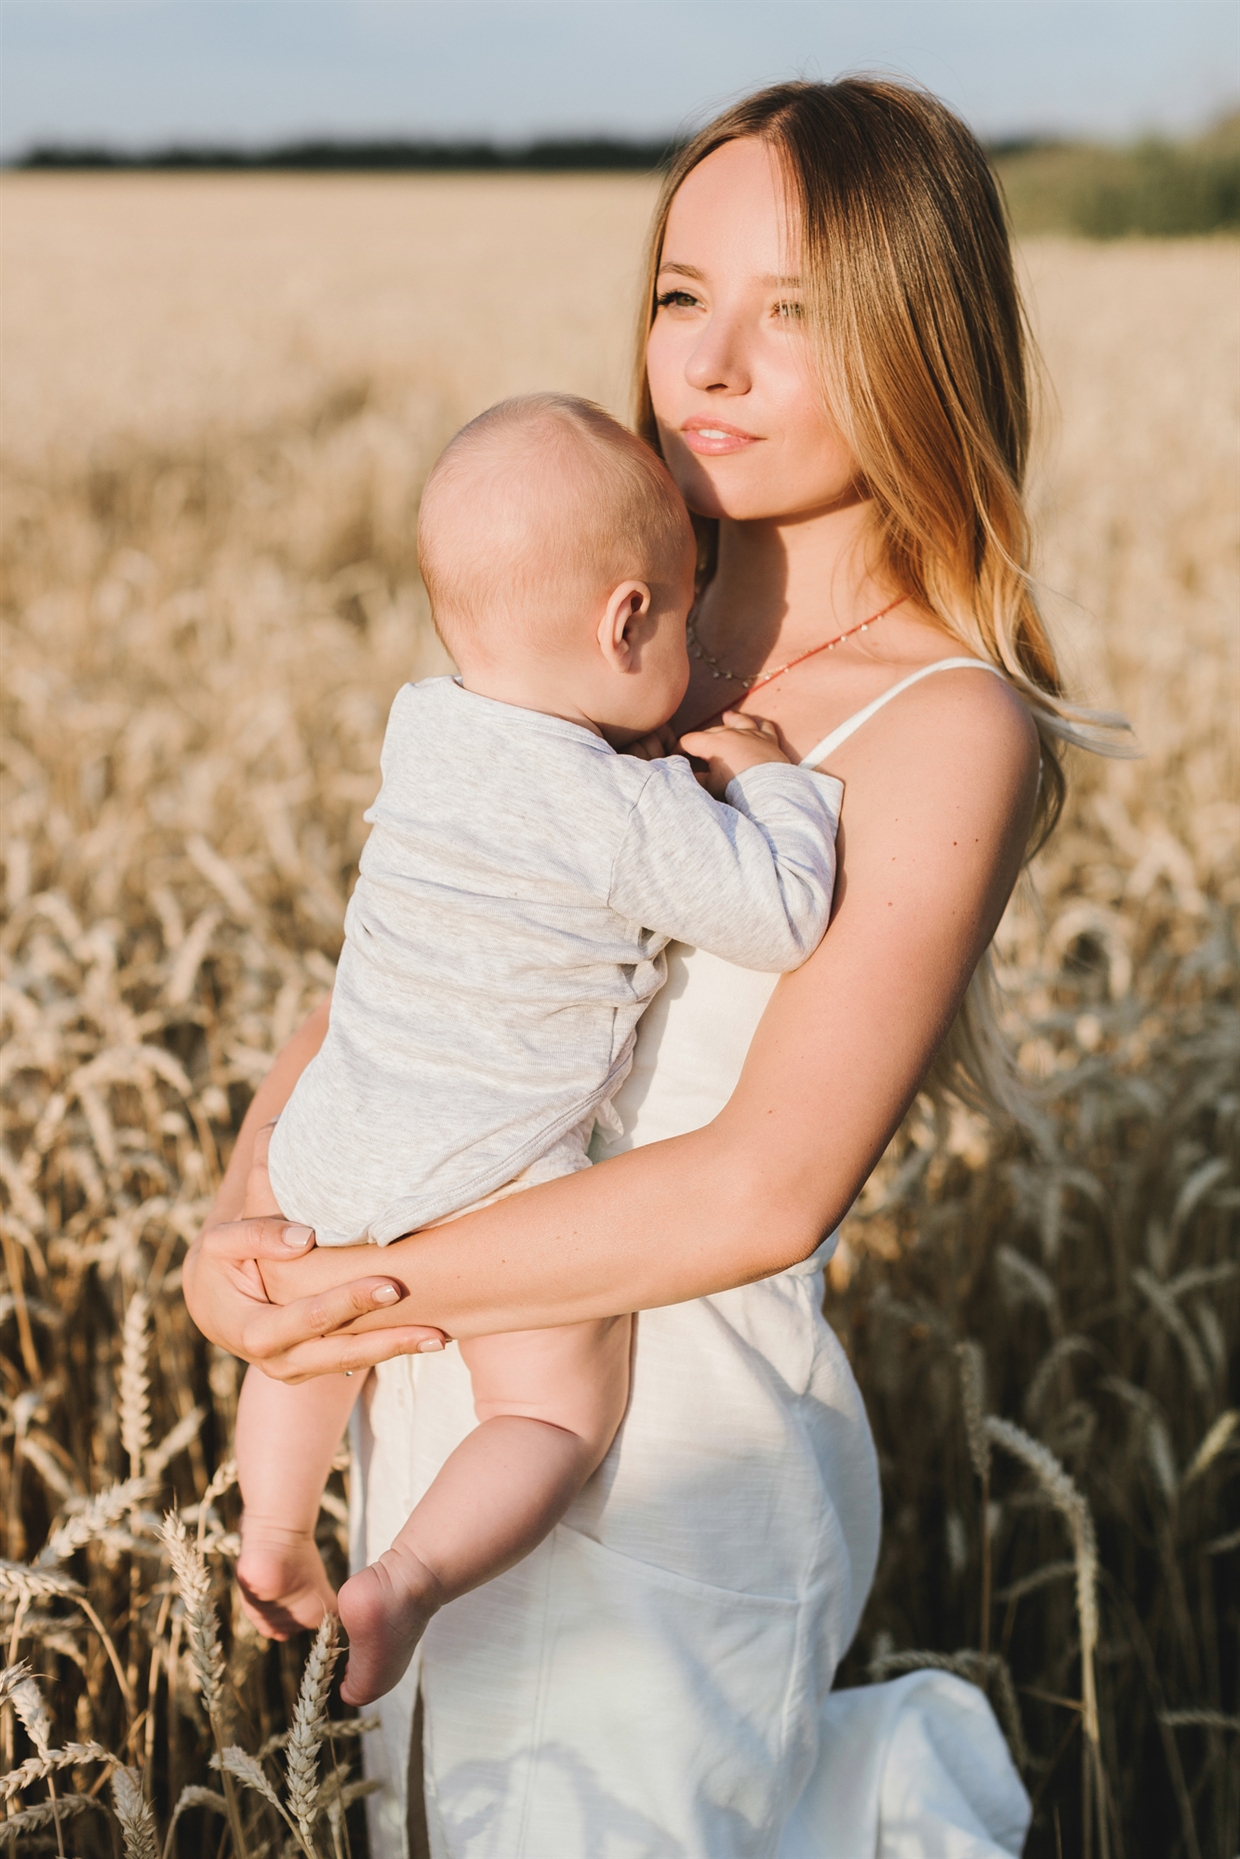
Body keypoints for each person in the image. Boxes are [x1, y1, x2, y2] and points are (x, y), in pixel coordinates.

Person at [184, 77, 1095, 1857]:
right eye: (684, 296)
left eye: (797, 313)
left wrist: (367, 1281)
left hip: (673, 1475)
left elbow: (769, 1185)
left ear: (925, 340)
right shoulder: (609, 619)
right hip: (437, 1419)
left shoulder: (944, 723)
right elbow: (394, 979)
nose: (711, 363)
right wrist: (248, 1237)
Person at [233, 391, 846, 1707]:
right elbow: (786, 913)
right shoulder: (617, 803)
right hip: (494, 1161)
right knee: (553, 1414)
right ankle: (404, 1580)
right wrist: (768, 779)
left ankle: (272, 1535)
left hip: (339, 1130)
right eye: (681, 613)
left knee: (305, 1330)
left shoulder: (424, 727)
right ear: (629, 622)